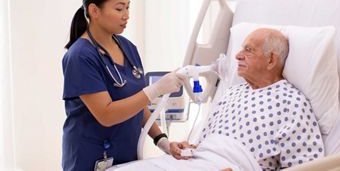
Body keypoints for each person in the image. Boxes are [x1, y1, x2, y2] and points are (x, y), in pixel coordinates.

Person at [108, 28, 325, 171]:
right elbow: (205, 144)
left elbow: (305, 167)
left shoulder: (292, 103)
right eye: (240, 48)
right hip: (194, 163)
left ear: (271, 60)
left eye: (248, 50)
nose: (238, 55)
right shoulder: (232, 93)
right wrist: (188, 147)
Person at [62, 0, 183, 170]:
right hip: (90, 159)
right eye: (119, 9)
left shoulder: (128, 48)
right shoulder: (79, 57)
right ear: (94, 11)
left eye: (128, 8)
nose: (126, 15)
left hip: (126, 159)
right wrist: (156, 90)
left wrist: (162, 142)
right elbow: (106, 114)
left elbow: (138, 105)